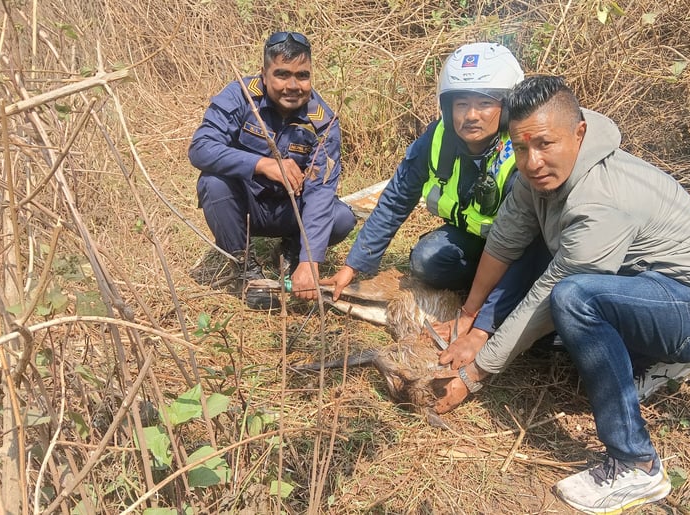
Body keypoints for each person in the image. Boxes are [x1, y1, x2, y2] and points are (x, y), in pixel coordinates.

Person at [434, 75, 690, 513]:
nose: (532, 160)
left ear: (579, 133)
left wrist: (475, 374)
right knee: (567, 333)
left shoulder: (601, 197)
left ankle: (635, 464)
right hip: (650, 292)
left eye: (545, 144)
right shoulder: (535, 177)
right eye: (521, 148)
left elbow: (551, 293)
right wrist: (468, 316)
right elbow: (504, 242)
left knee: (574, 300)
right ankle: (664, 362)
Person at [322, 42, 550, 338]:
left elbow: (524, 240)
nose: (471, 115)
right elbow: (396, 200)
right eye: (461, 104)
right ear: (447, 107)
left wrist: (478, 323)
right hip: (474, 241)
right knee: (426, 260)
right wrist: (353, 266)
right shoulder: (437, 138)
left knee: (533, 324)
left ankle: (495, 301)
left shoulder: (520, 149)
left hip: (523, 250)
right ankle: (482, 289)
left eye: (484, 104)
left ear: (505, 108)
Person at [189, 31, 356, 309]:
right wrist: (261, 164)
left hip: (290, 209)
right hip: (245, 206)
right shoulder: (240, 97)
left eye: (302, 76)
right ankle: (244, 270)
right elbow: (200, 148)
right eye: (282, 74)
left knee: (340, 218)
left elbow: (320, 191)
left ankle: (292, 249)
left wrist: (310, 260)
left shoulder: (323, 122)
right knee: (213, 183)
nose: (293, 85)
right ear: (264, 75)